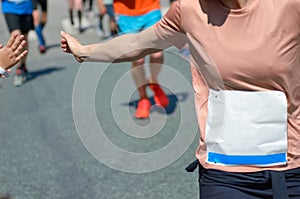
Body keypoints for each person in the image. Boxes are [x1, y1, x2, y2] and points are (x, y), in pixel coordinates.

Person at [61, 0, 300, 198]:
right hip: (225, 173)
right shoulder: (189, 9)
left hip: (292, 168)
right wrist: (84, 52)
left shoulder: (288, 6)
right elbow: (137, 43)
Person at [111, 0, 169, 119]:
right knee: (138, 59)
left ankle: (153, 80)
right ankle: (143, 98)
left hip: (151, 7)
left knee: (157, 54)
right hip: (124, 12)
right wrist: (106, 8)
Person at [1, 0, 34, 86]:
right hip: (9, 6)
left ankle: (23, 65)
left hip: (26, 6)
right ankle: (19, 69)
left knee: (24, 39)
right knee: (17, 36)